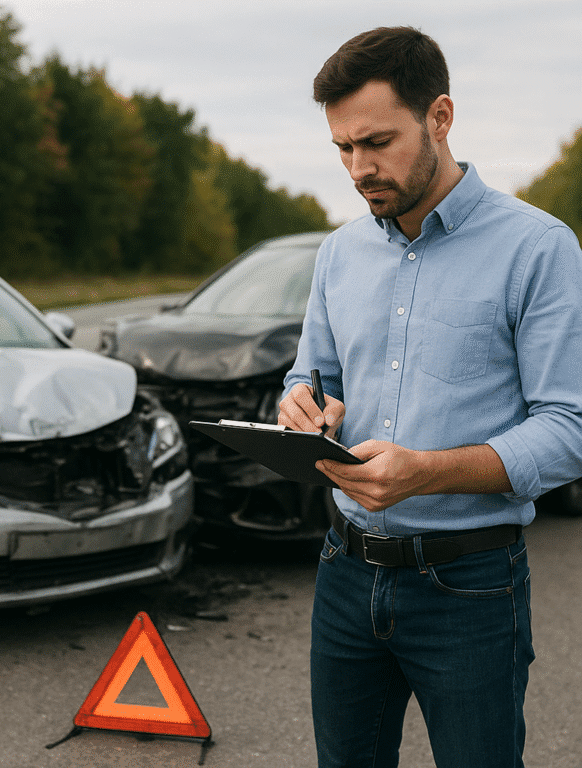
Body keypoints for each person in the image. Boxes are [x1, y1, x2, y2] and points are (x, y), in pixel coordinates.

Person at [277, 26, 582, 768]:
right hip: (344, 572)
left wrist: (426, 471)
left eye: (377, 142)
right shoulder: (339, 252)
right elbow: (310, 377)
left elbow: (569, 429)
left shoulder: (538, 249)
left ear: (440, 118)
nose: (358, 168)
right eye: (343, 149)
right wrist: (302, 407)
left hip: (471, 587)